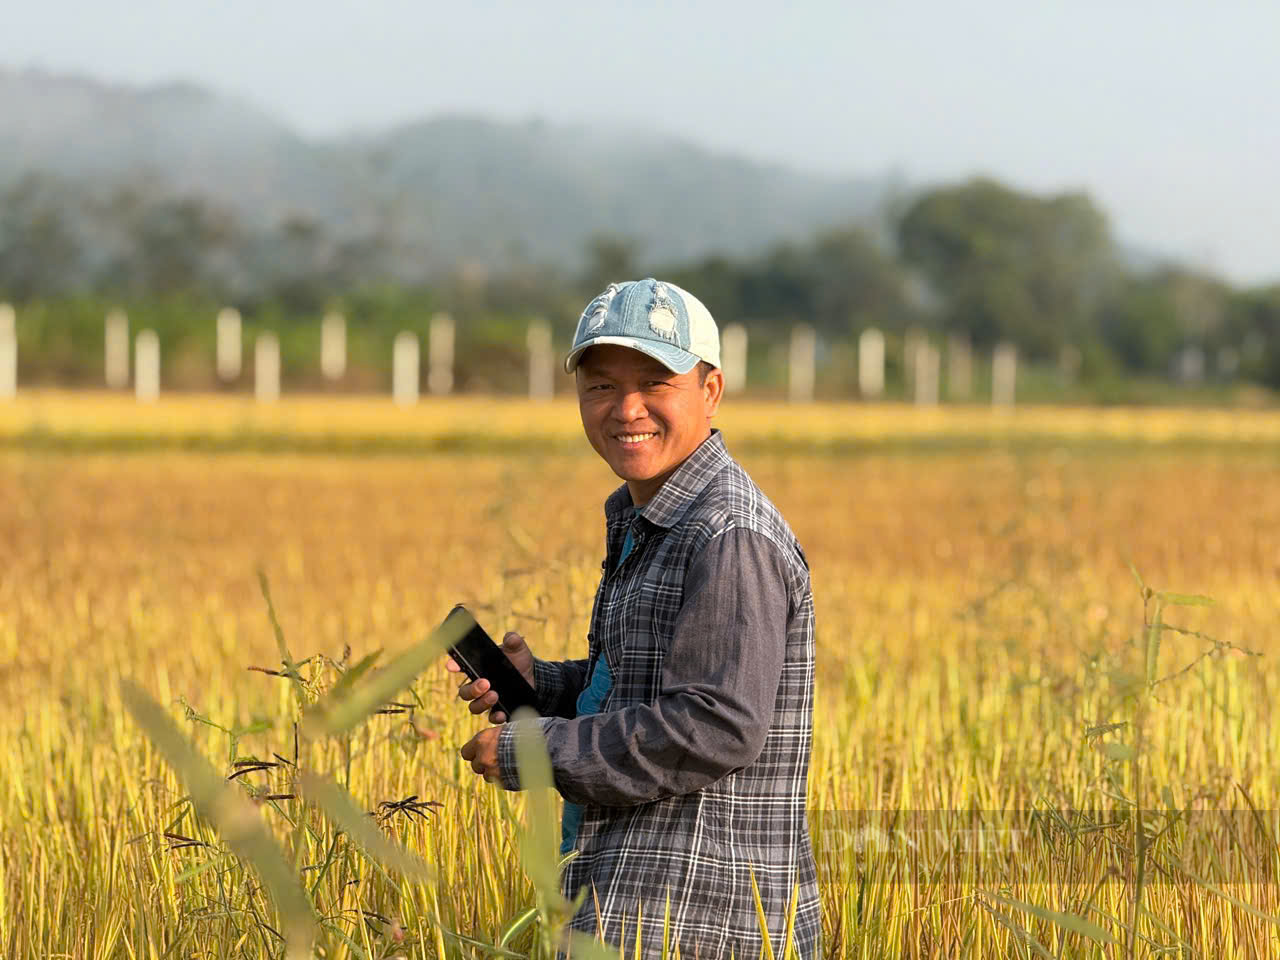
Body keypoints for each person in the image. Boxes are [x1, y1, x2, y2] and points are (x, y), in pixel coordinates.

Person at [453, 278, 820, 959]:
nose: (626, 409)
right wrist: (547, 686)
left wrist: (533, 752)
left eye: (656, 383)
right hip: (629, 896)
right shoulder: (654, 519)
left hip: (691, 916)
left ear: (710, 390)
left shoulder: (726, 533)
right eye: (600, 387)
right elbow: (649, 684)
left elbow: (714, 724)